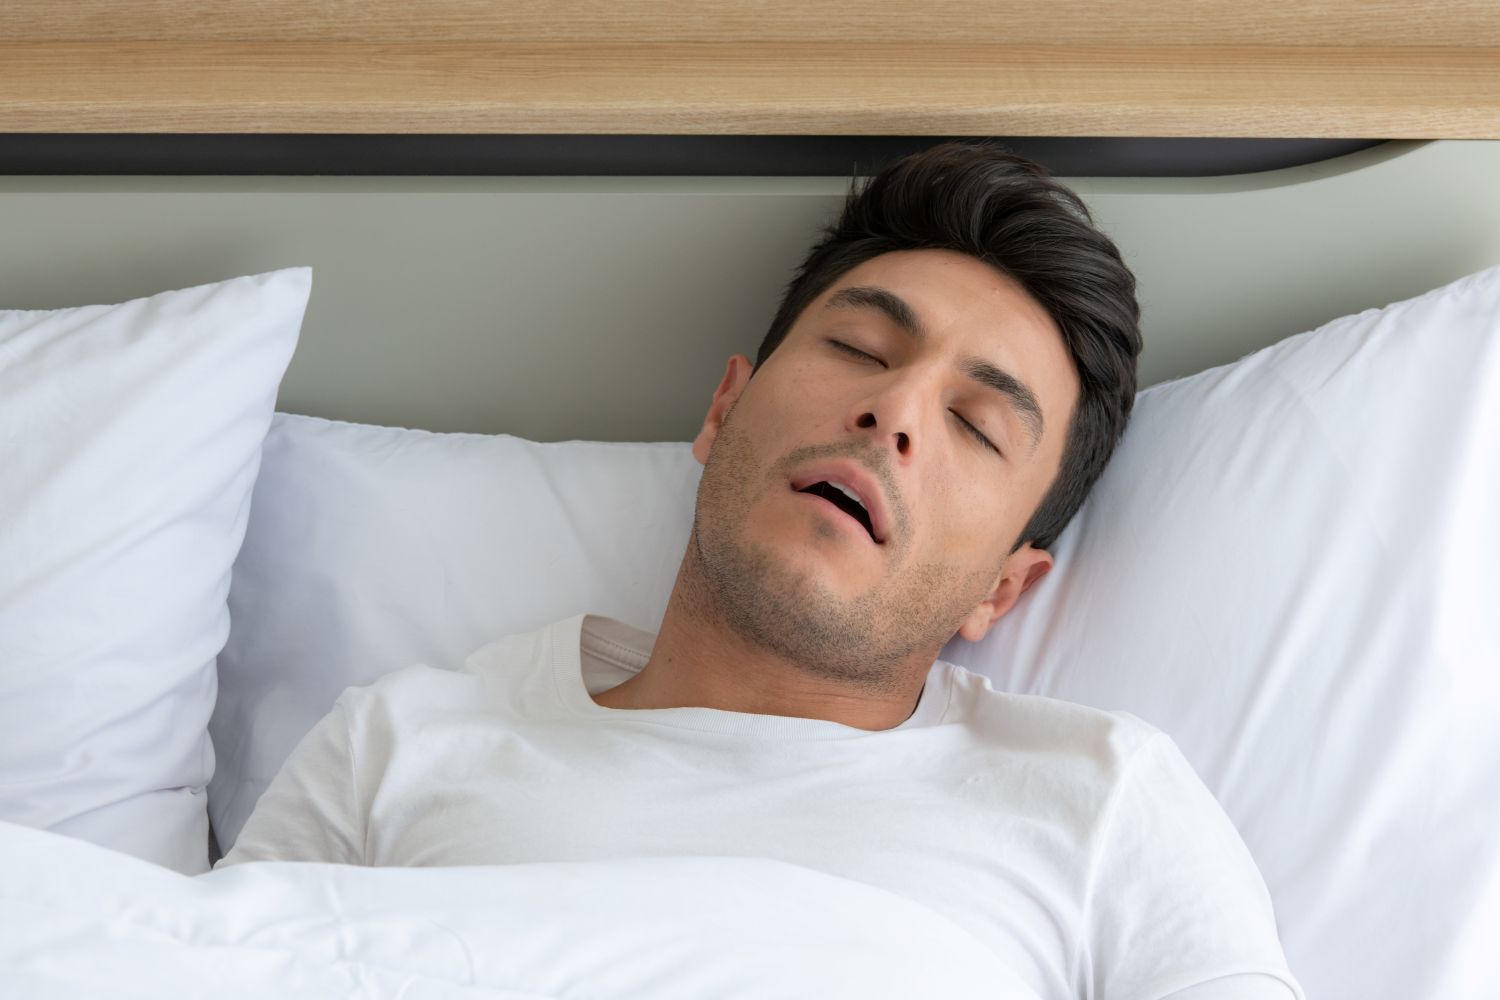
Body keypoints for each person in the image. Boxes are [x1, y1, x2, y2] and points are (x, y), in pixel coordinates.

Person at [219, 142, 1303, 998]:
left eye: (975, 423)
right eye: (862, 352)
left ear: (1001, 590)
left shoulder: (1101, 802)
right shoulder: (397, 746)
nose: (893, 411)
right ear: (725, 407)